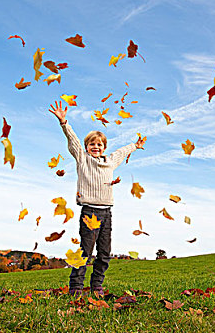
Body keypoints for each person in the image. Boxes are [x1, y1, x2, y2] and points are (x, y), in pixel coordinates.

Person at [49, 101, 146, 296]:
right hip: (89, 212)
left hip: (107, 213)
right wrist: (64, 122)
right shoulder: (83, 159)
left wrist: (135, 146)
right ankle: (76, 287)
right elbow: (73, 140)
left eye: (99, 144)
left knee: (104, 254)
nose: (96, 147)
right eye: (92, 144)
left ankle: (96, 286)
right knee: (85, 252)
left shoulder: (110, 162)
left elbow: (121, 152)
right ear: (86, 147)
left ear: (103, 147)